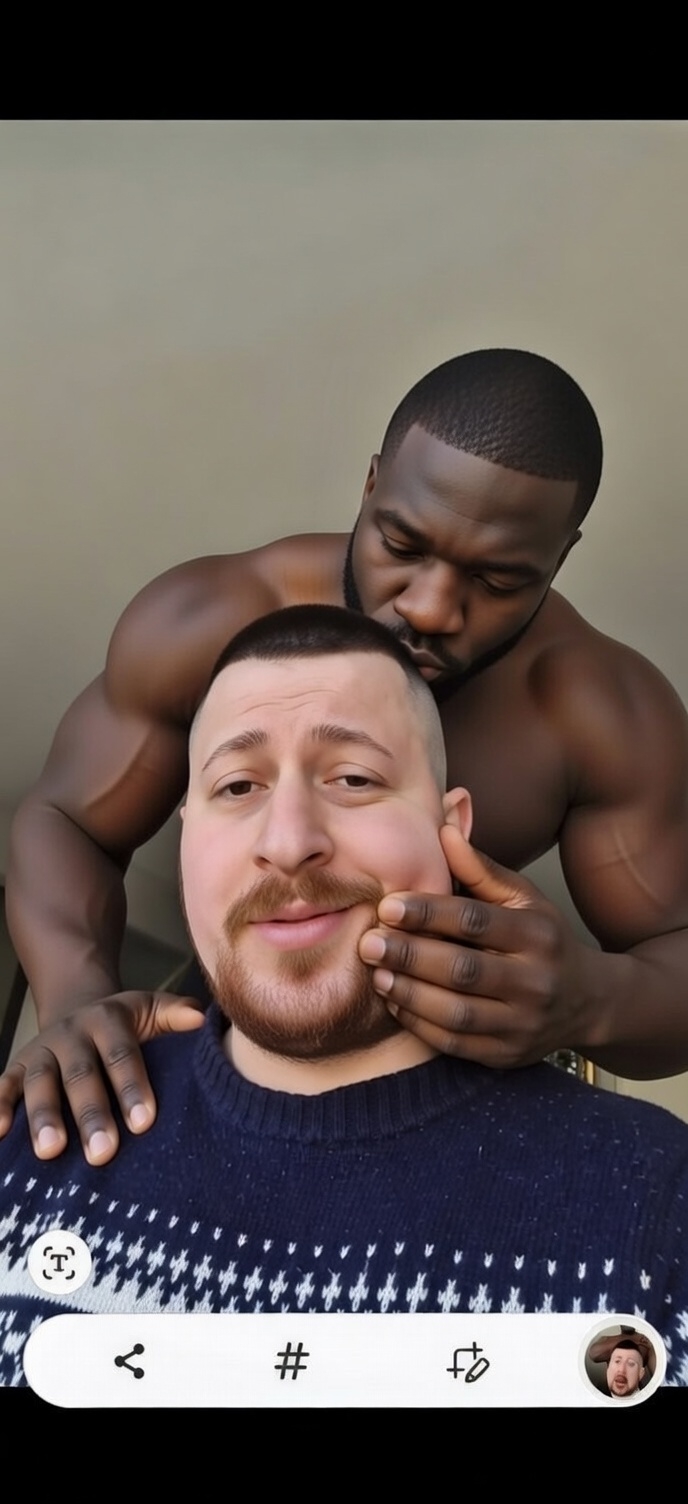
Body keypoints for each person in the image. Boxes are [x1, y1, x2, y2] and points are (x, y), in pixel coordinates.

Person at [4, 349, 688, 1170]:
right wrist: (76, 997)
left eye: (499, 580)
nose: (431, 607)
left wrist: (591, 1001)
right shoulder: (210, 620)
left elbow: (674, 948)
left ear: (560, 558)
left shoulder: (601, 714)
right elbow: (67, 819)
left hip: (463, 1100)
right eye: (402, 543)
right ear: (370, 489)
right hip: (228, 1050)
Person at [2, 606, 688, 1391]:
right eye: (237, 786)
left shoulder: (656, 1201)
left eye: (354, 779)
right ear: (187, 838)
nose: (289, 841)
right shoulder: (30, 1150)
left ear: (451, 829)